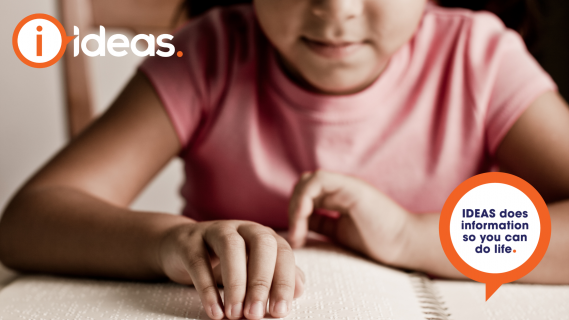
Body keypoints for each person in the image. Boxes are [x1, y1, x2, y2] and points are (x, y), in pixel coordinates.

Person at [1, 0, 569, 319]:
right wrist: (172, 242)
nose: (336, 8)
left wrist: (413, 237)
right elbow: (30, 220)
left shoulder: (479, 59)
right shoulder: (207, 54)